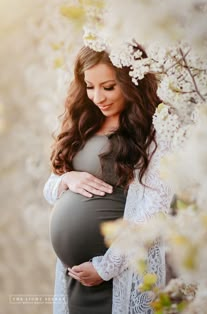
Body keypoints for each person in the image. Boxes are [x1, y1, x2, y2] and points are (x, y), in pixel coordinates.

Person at [44, 45, 173, 314]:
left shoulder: (154, 130)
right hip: (77, 276)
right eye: (89, 86)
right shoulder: (84, 122)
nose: (97, 97)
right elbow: (51, 188)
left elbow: (154, 209)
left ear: (131, 81)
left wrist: (105, 268)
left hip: (117, 272)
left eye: (108, 87)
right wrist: (69, 178)